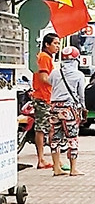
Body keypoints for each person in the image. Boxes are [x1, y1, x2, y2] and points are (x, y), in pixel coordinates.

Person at [48, 46, 86, 176]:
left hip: (54, 108)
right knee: (72, 138)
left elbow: (49, 83)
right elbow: (81, 95)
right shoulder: (78, 75)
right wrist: (83, 108)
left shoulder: (54, 73)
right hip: (70, 108)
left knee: (55, 138)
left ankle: (56, 168)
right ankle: (73, 169)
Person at [32, 33, 61, 170]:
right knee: (42, 129)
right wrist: (57, 82)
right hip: (42, 96)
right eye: (55, 43)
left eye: (58, 43)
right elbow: (44, 78)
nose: (58, 46)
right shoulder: (44, 57)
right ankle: (41, 159)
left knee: (49, 129)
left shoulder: (46, 57)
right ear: (47, 45)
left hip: (47, 96)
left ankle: (50, 158)